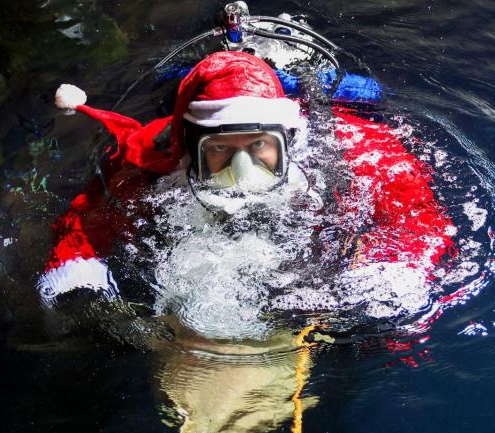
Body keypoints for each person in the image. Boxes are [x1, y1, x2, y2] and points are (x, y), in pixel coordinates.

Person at [37, 51, 455, 329]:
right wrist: (83, 287)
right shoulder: (151, 157)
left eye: (258, 146)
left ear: (287, 139)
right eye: (220, 149)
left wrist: (379, 281)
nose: (242, 169)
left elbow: (418, 214)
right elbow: (85, 220)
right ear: (190, 148)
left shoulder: (356, 146)